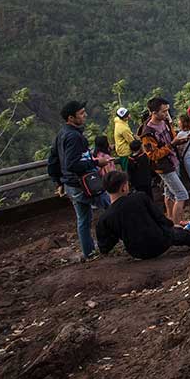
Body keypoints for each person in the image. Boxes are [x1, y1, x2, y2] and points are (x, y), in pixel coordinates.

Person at [96, 171, 190, 259]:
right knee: (184, 235)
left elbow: (105, 245)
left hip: (136, 252)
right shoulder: (139, 197)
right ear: (124, 187)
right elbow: (160, 218)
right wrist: (172, 226)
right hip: (160, 242)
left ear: (106, 190)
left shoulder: (105, 218)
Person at [48, 100, 110, 260]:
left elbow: (53, 160)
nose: (85, 115)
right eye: (81, 113)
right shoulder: (73, 136)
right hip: (85, 183)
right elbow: (72, 163)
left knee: (83, 220)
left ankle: (89, 252)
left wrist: (59, 182)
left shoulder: (61, 134)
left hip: (71, 184)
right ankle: (122, 239)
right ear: (71, 117)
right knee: (111, 207)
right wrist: (97, 162)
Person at [140, 97, 190, 226]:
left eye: (167, 110)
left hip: (173, 160)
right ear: (153, 112)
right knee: (182, 194)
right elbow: (153, 155)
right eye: (163, 111)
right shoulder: (148, 133)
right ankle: (177, 225)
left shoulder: (165, 121)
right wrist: (172, 145)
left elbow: (172, 137)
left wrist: (180, 140)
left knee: (169, 193)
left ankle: (171, 220)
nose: (166, 114)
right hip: (164, 166)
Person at [113, 107, 134, 172]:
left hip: (120, 148)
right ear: (123, 118)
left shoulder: (118, 120)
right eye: (126, 116)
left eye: (128, 114)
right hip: (125, 151)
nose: (128, 116)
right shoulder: (123, 128)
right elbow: (131, 141)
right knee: (127, 169)